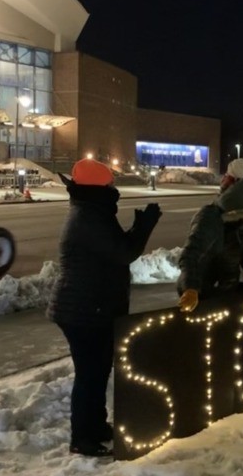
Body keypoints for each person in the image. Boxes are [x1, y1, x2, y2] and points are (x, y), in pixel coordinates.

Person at [47, 158, 162, 457]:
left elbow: (113, 247)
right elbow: (124, 253)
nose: (114, 188)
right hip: (84, 310)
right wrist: (145, 227)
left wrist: (137, 226)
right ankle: (82, 438)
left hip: (90, 307)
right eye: (109, 184)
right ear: (98, 187)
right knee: (90, 375)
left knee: (97, 372)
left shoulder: (92, 211)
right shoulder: (88, 217)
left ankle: (95, 426)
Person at [177, 170, 243, 312]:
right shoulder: (210, 219)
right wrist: (190, 289)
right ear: (241, 211)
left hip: (225, 292)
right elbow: (191, 255)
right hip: (202, 295)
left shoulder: (238, 225)